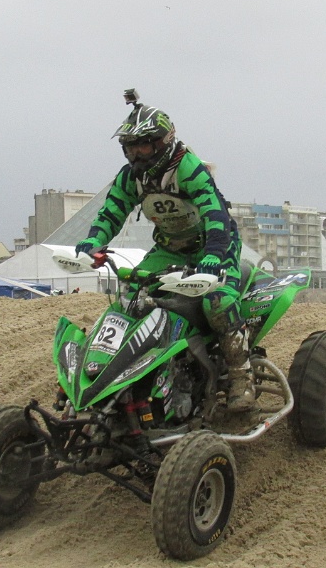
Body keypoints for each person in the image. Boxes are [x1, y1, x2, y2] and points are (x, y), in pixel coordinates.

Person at [74, 89, 256, 412]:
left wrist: (214, 254)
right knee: (132, 295)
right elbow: (112, 211)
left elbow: (216, 212)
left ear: (163, 142)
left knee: (218, 301)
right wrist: (93, 242)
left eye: (144, 145)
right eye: (131, 147)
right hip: (171, 247)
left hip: (216, 245)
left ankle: (242, 377)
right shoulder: (132, 177)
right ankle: (128, 378)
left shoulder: (188, 168)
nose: (138, 154)